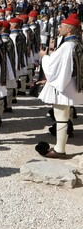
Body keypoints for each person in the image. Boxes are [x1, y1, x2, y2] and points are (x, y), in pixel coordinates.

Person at [35, 15, 83, 158]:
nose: (59, 28)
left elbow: (56, 66)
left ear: (69, 30)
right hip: (70, 83)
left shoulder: (67, 46)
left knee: (61, 116)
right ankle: (59, 147)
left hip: (64, 85)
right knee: (63, 115)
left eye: (61, 26)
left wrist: (44, 56)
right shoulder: (77, 43)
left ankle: (60, 149)